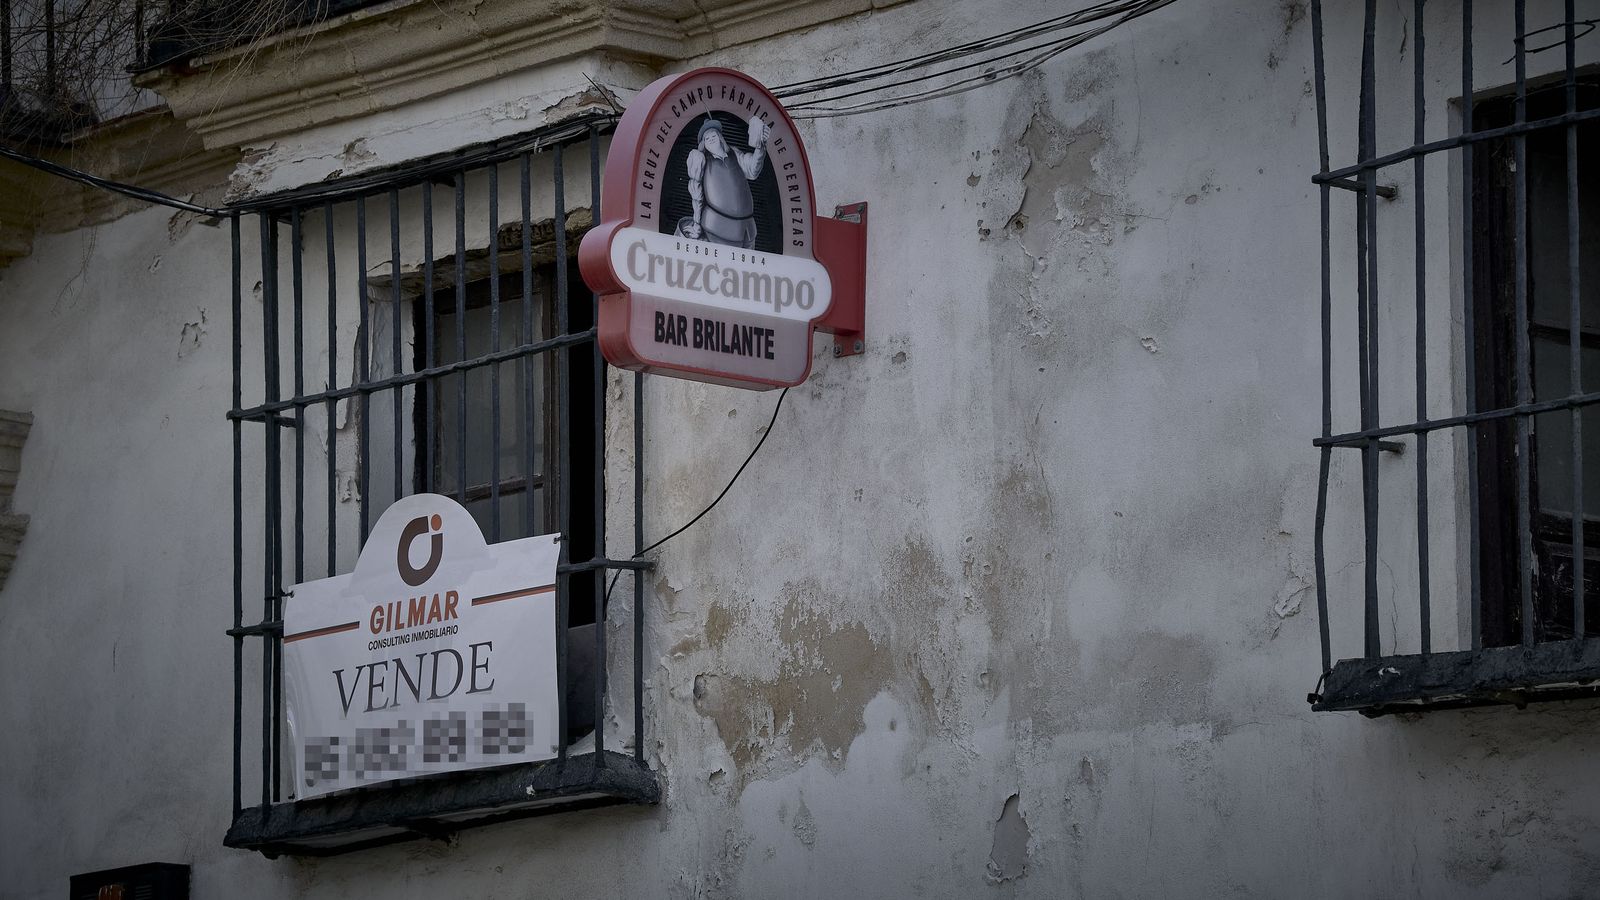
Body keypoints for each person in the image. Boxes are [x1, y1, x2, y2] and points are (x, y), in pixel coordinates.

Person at [676, 115, 769, 248]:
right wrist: (697, 225)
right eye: (707, 138)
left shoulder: (735, 154)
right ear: (703, 144)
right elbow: (696, 196)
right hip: (718, 229)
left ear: (720, 137)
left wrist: (760, 146)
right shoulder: (701, 161)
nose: (711, 139)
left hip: (747, 230)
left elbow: (753, 171)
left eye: (713, 135)